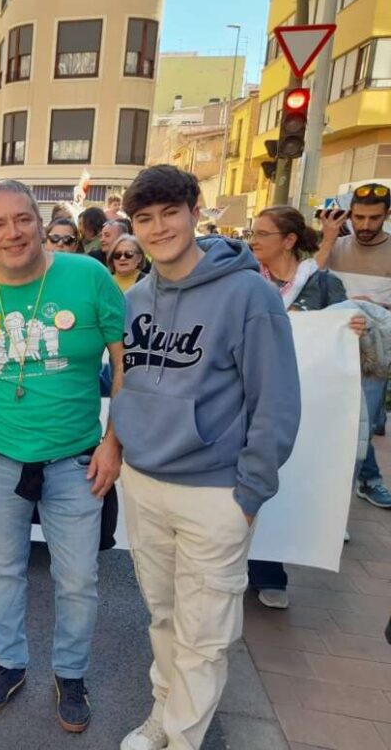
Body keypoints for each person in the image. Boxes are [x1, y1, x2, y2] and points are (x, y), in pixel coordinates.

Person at [112, 165, 301, 750]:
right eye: (145, 218)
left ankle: (183, 738)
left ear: (196, 210)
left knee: (205, 632)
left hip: (215, 493)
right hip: (145, 484)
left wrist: (247, 495)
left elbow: (275, 401)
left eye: (170, 212)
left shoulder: (248, 294)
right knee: (164, 618)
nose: (159, 227)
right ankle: (163, 714)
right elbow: (128, 383)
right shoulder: (137, 296)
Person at [0, 179, 125, 732]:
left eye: (22, 219)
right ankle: (9, 663)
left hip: (77, 461)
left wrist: (113, 443)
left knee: (77, 579)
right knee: (4, 570)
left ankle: (70, 673)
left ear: (41, 220)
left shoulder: (89, 276)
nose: (12, 232)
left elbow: (127, 367)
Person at [244, 206, 366, 610]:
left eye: (262, 233)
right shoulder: (243, 281)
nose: (253, 240)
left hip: (302, 400)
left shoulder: (323, 283)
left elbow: (344, 332)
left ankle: (269, 570)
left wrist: (350, 329)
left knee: (286, 475)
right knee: (244, 475)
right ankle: (238, 563)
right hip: (245, 394)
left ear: (289, 239)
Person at [316, 183, 391, 509]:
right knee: (341, 423)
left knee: (358, 426)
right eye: (359, 217)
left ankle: (338, 508)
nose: (364, 225)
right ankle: (368, 481)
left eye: (374, 218)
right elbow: (309, 281)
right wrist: (328, 238)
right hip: (332, 349)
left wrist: (373, 305)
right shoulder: (335, 246)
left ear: (387, 215)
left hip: (373, 352)